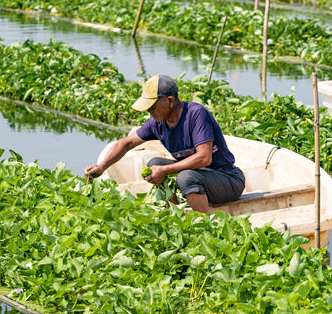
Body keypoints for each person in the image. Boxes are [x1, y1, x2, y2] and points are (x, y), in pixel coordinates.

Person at [84, 75, 245, 213]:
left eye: (152, 106)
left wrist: (165, 170)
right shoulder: (157, 123)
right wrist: (102, 166)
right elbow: (126, 144)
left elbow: (204, 158)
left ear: (170, 101)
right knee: (155, 163)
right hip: (201, 176)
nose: (149, 111)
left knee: (185, 177)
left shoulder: (196, 114)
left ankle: (202, 224)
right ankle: (176, 215)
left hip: (228, 179)